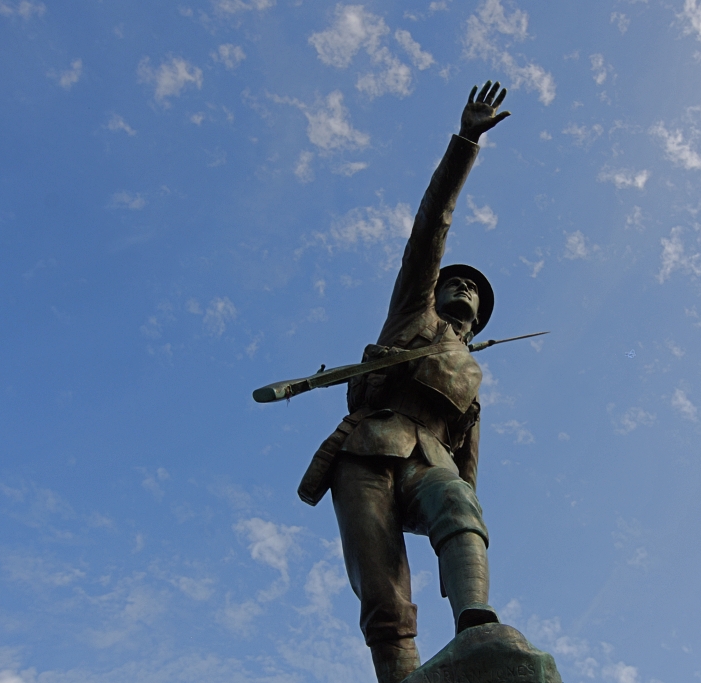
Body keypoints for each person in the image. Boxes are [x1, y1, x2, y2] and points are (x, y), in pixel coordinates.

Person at [301, 81, 510, 683]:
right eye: (458, 281)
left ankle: (476, 622)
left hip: (431, 458)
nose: (465, 289)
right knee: (384, 595)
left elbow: (467, 467)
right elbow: (431, 229)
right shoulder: (412, 315)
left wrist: (466, 499)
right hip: (364, 453)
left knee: (458, 502)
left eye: (475, 290)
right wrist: (466, 140)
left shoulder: (472, 375)